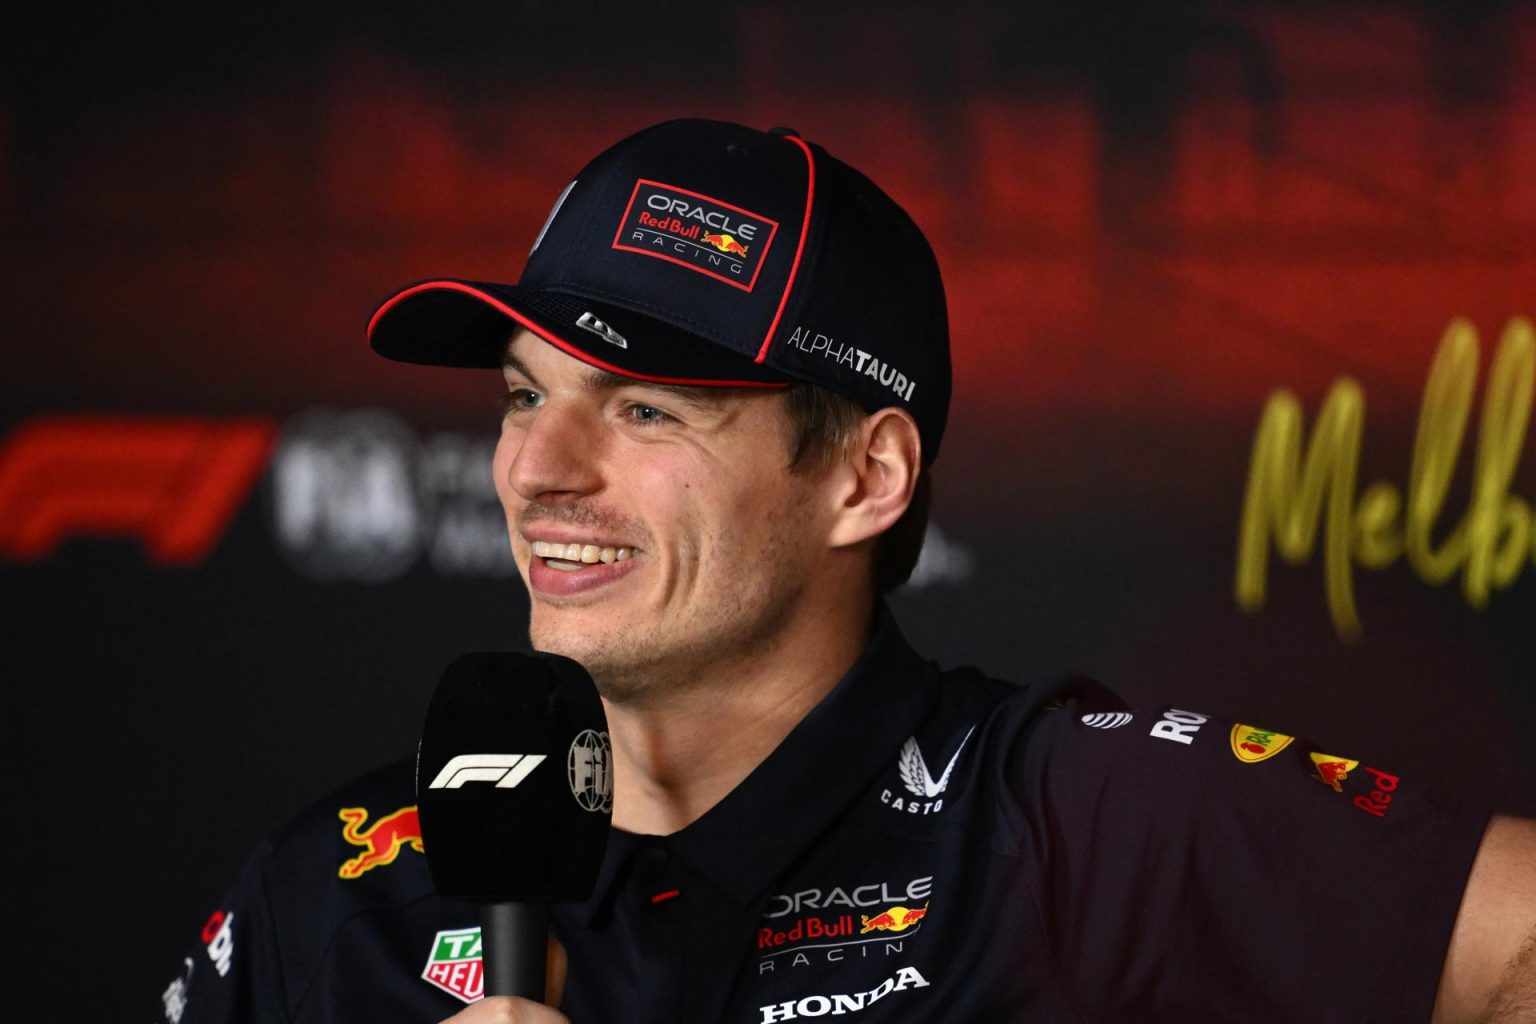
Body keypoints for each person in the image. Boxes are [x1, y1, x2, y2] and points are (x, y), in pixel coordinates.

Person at [157, 119, 1536, 1024]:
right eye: (526, 398)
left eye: (644, 410)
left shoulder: (1062, 821)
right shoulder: (337, 899)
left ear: (862, 479)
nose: (536, 472)